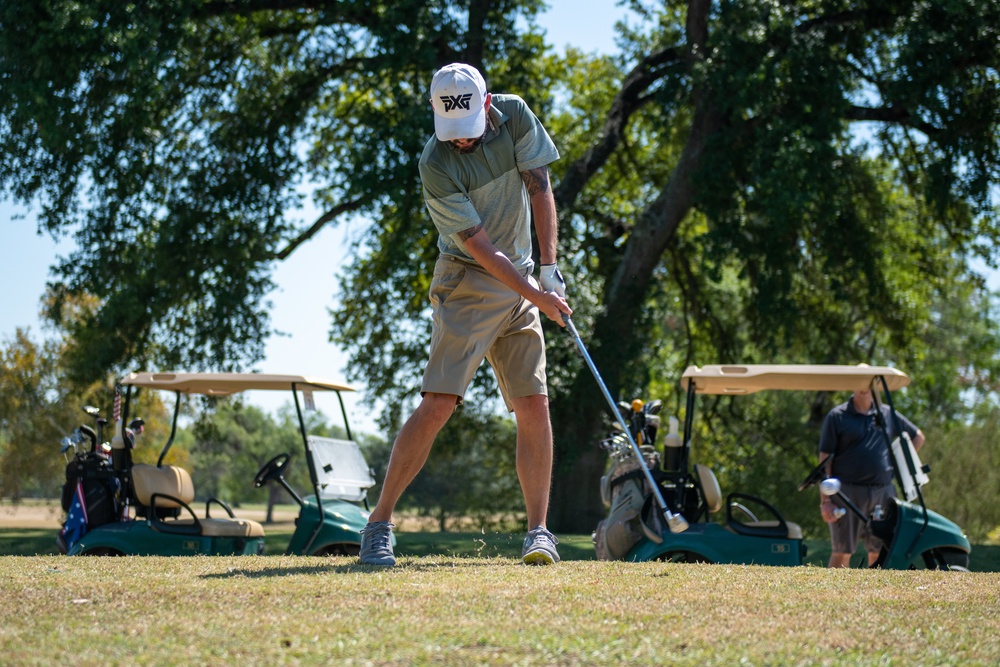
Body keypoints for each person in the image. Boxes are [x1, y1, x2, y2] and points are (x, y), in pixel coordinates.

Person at [358, 63, 573, 567]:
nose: (460, 143)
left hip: (522, 278)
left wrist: (549, 267)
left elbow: (540, 186)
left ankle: (539, 532)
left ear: (487, 103)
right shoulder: (435, 164)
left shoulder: (515, 115)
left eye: (468, 131)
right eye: (451, 134)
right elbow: (479, 247)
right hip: (469, 279)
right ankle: (378, 525)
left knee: (534, 405)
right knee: (439, 402)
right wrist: (537, 293)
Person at [818, 388, 925, 568]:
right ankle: (833, 594)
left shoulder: (887, 413)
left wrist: (900, 465)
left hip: (883, 491)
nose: (864, 387)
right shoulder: (837, 416)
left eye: (868, 382)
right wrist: (826, 500)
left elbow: (918, 437)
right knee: (842, 550)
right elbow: (825, 459)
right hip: (847, 492)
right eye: (859, 381)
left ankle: (872, 595)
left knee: (879, 550)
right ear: (853, 385)